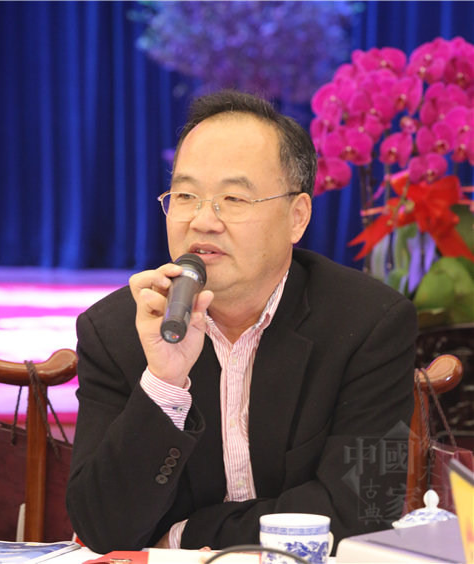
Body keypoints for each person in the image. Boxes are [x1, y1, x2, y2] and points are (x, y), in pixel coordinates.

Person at [66, 90, 417, 554]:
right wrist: (165, 382)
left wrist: (185, 535)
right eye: (186, 195)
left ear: (297, 217)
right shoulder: (118, 330)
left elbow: (359, 514)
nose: (203, 220)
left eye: (233, 198)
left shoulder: (368, 324)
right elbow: (102, 528)